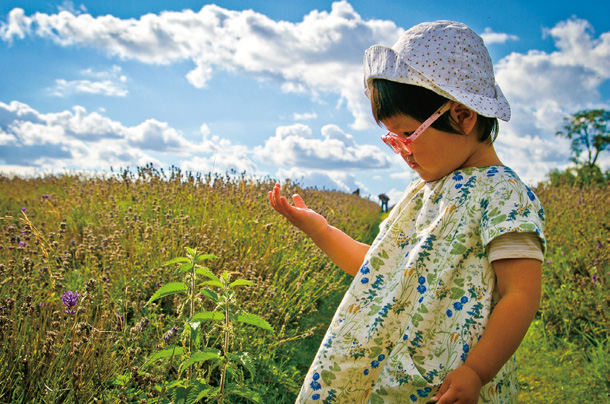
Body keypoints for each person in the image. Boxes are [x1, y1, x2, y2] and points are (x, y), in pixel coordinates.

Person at [268, 20, 545, 404]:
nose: (401, 150)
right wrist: (321, 229)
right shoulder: (420, 193)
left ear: (462, 116)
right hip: (381, 375)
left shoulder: (503, 195)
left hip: (447, 383)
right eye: (391, 139)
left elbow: (521, 294)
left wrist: (478, 371)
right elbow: (378, 269)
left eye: (406, 134)